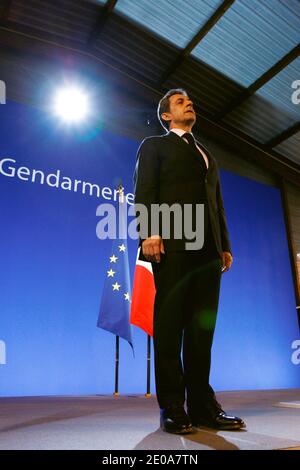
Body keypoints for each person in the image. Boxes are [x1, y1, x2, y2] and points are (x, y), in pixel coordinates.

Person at [133, 88, 245, 434]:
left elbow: (217, 204)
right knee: (169, 329)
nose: (189, 103)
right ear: (166, 115)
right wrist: (149, 232)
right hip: (172, 248)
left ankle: (202, 407)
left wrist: (223, 244)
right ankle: (171, 407)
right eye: (180, 101)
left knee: (201, 332)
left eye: (190, 100)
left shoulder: (206, 153)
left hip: (208, 254)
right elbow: (145, 190)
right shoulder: (154, 145)